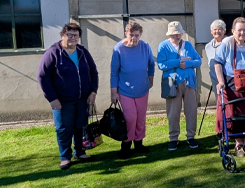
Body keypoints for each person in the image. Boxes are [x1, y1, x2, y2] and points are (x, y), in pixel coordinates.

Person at [37, 23, 99, 170]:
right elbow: (43, 77)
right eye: (69, 35)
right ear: (63, 36)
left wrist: (93, 92)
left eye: (75, 35)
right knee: (64, 129)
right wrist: (52, 98)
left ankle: (80, 152)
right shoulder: (53, 53)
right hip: (62, 101)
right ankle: (65, 157)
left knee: (80, 127)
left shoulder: (83, 52)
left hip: (82, 99)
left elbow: (93, 72)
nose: (73, 38)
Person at [214, 17, 245, 157]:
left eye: (244, 30)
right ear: (233, 31)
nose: (242, 33)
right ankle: (238, 144)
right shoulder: (226, 43)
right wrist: (221, 81)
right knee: (234, 115)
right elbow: (217, 63)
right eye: (239, 30)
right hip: (231, 84)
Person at [110, 21, 155, 159]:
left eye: (137, 35)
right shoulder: (118, 49)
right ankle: (126, 145)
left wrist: (151, 79)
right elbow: (114, 72)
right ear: (126, 34)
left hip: (142, 89)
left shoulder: (145, 46)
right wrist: (114, 92)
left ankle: (139, 143)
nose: (134, 38)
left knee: (141, 118)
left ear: (140, 35)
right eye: (131, 35)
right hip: (125, 90)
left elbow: (151, 64)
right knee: (130, 118)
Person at [157, 21, 202, 151]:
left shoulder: (188, 45)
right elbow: (161, 64)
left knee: (191, 110)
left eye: (179, 33)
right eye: (175, 34)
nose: (178, 36)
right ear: (170, 34)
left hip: (189, 82)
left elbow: (198, 61)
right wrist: (178, 62)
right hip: (172, 83)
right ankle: (173, 138)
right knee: (173, 112)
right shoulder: (163, 46)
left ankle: (191, 136)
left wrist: (187, 64)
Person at [205, 19, 226, 94]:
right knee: (218, 98)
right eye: (215, 29)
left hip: (227, 77)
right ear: (211, 32)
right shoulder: (208, 46)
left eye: (220, 29)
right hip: (214, 78)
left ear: (224, 31)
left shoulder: (229, 43)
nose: (217, 31)